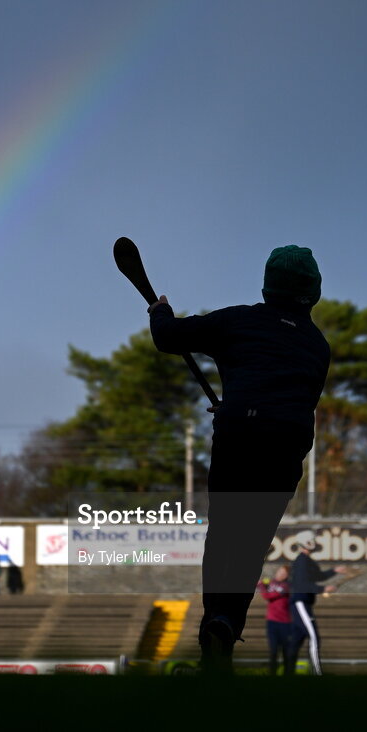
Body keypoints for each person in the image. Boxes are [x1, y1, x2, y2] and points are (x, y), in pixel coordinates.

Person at [149, 245, 330, 671]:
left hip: (239, 435)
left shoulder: (238, 321)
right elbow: (283, 389)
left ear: (267, 287)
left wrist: (160, 311)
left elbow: (168, 337)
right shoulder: (318, 346)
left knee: (224, 536)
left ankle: (215, 627)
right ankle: (228, 625)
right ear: (314, 293)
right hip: (285, 446)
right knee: (251, 543)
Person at [288, 530, 347, 676]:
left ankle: (288, 673)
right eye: (312, 540)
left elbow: (318, 576)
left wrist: (334, 570)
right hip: (300, 602)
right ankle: (317, 672)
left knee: (296, 640)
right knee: (314, 637)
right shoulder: (301, 561)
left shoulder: (307, 561)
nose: (314, 542)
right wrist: (323, 589)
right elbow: (302, 584)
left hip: (305, 603)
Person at [257, 564, 293, 675]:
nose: (280, 574)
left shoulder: (286, 586)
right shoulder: (271, 582)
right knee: (273, 651)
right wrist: (263, 583)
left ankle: (288, 675)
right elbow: (265, 585)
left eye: (283, 573)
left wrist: (261, 586)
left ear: (287, 576)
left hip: (285, 623)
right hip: (272, 622)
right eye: (279, 572)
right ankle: (272, 674)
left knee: (286, 651)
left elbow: (268, 596)